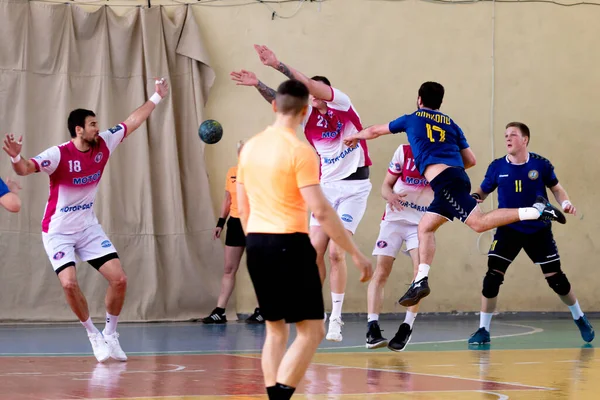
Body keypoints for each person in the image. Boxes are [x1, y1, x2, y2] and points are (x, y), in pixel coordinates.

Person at [343, 81, 566, 308]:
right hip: (453, 180)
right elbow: (471, 160)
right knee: (425, 227)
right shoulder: (451, 124)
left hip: (446, 183)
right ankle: (420, 280)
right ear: (440, 102)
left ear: (419, 100)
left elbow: (375, 130)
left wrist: (356, 136)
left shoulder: (412, 118)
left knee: (479, 223)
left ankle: (535, 210)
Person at [2, 78, 169, 363]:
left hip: (88, 227)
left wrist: (156, 97)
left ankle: (111, 335)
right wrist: (17, 157)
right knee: (68, 283)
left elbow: (132, 120)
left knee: (120, 279)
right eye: (92, 124)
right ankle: (92, 334)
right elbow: (26, 168)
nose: (97, 127)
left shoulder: (104, 143)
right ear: (79, 129)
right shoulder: (59, 154)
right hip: (58, 231)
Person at [236, 78, 373, 400]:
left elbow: (243, 207)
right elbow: (322, 211)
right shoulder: (301, 151)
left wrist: (256, 239)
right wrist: (355, 253)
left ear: (274, 106)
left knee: (275, 330)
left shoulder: (250, 147)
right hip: (290, 244)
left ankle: (274, 394)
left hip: (255, 243)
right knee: (311, 330)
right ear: (304, 112)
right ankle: (281, 396)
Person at [467, 122, 594, 345]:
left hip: (538, 230)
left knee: (557, 281)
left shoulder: (541, 164)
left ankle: (580, 317)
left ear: (524, 140)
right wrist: (473, 198)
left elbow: (556, 187)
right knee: (491, 279)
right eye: (505, 135)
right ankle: (483, 330)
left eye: (513, 135)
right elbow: (483, 191)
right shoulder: (497, 167)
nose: (508, 139)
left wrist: (565, 202)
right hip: (508, 230)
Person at [366, 143, 434, 352]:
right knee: (382, 271)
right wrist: (391, 196)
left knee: (419, 275)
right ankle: (372, 327)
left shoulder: (442, 155)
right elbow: (385, 187)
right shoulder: (404, 151)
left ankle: (407, 327)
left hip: (420, 224)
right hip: (394, 220)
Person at [202, 140, 264, 324]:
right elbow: (227, 199)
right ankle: (219, 311)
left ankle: (263, 310)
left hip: (255, 224)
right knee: (229, 268)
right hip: (235, 224)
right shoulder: (232, 173)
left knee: (258, 270)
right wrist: (220, 222)